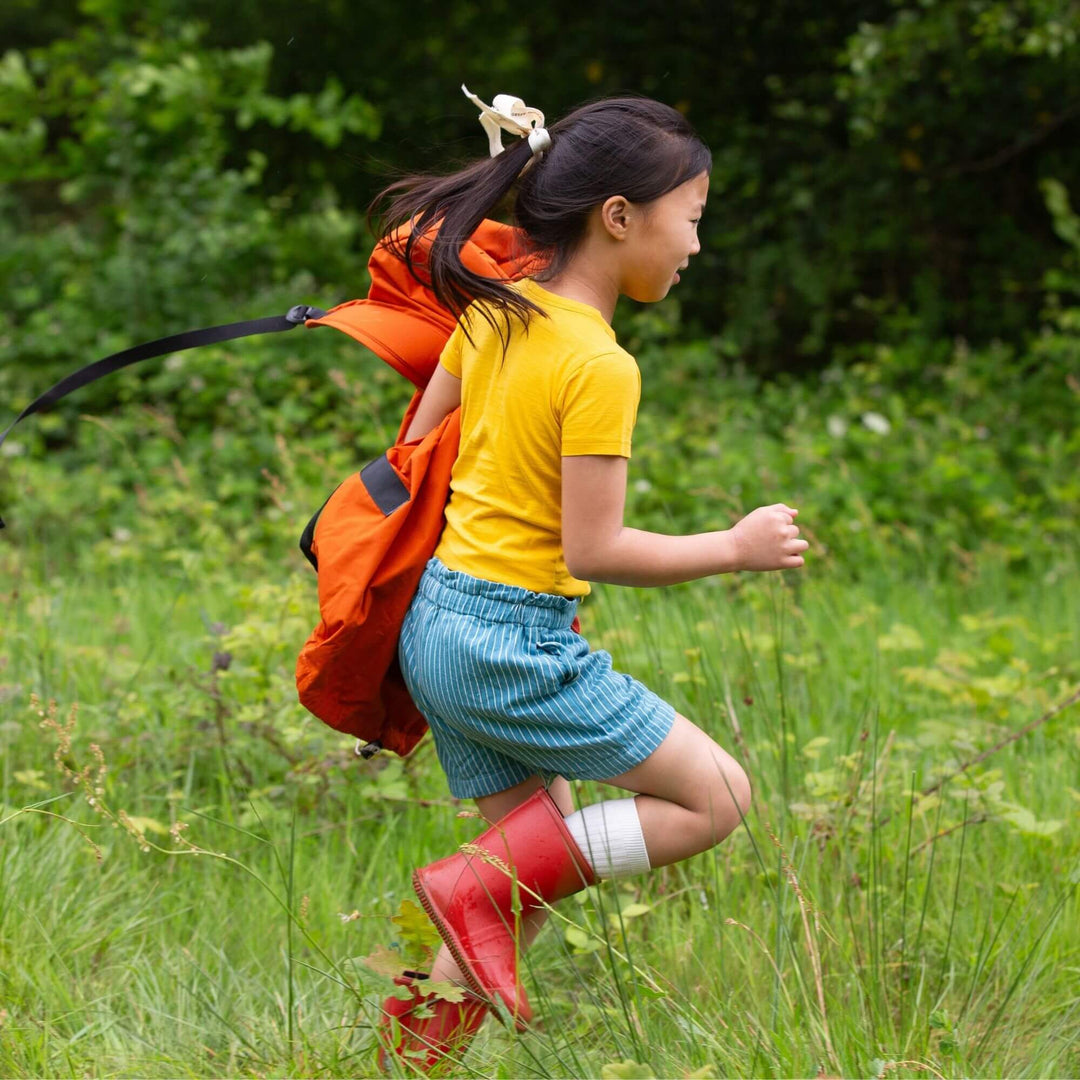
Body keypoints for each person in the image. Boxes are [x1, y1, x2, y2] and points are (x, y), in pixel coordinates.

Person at [374, 87, 809, 1072]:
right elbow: (596, 550)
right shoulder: (599, 365)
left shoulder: (494, 315)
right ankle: (470, 896)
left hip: (439, 626)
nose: (696, 245)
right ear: (621, 217)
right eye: (690, 219)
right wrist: (732, 548)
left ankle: (412, 1062)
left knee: (519, 878)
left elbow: (417, 439)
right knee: (720, 798)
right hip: (511, 642)